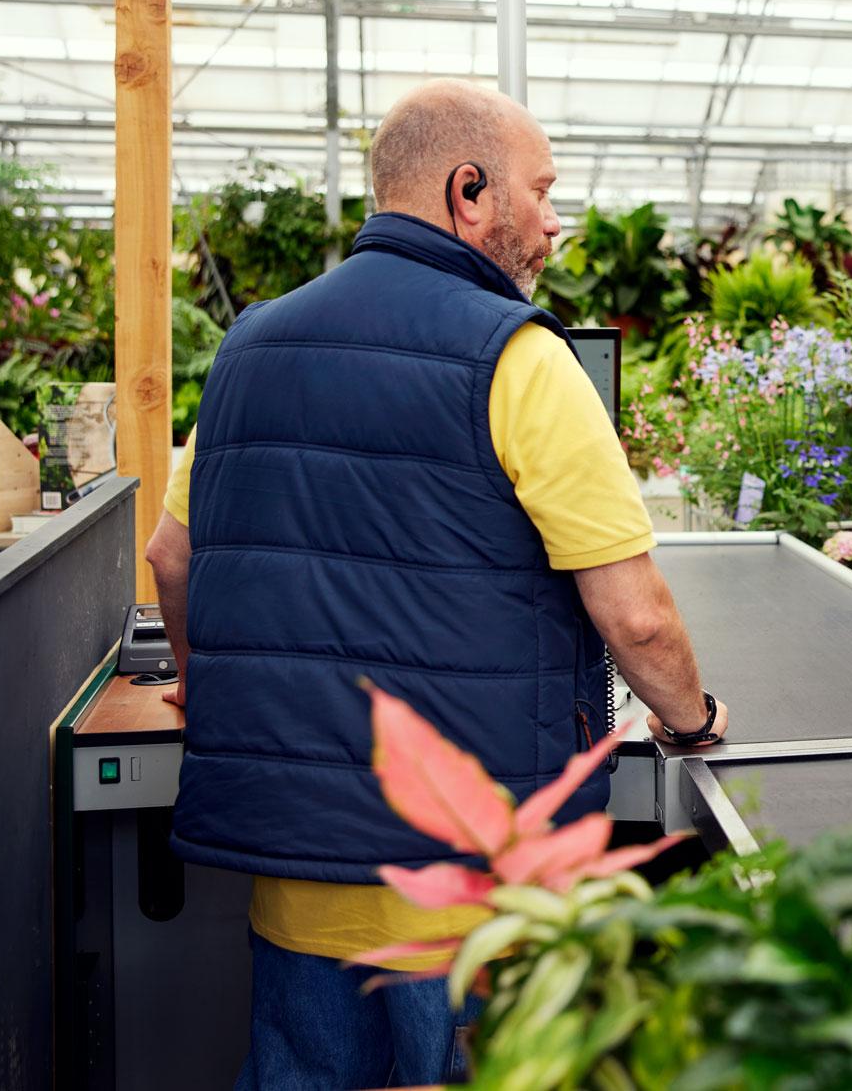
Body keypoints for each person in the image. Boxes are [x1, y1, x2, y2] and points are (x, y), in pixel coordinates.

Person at [145, 79, 729, 1090]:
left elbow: (169, 555)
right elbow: (634, 615)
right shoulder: (521, 357)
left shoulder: (245, 347)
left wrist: (207, 686)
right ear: (469, 191)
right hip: (473, 889)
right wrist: (692, 721)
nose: (555, 221)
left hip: (299, 876)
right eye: (541, 191)